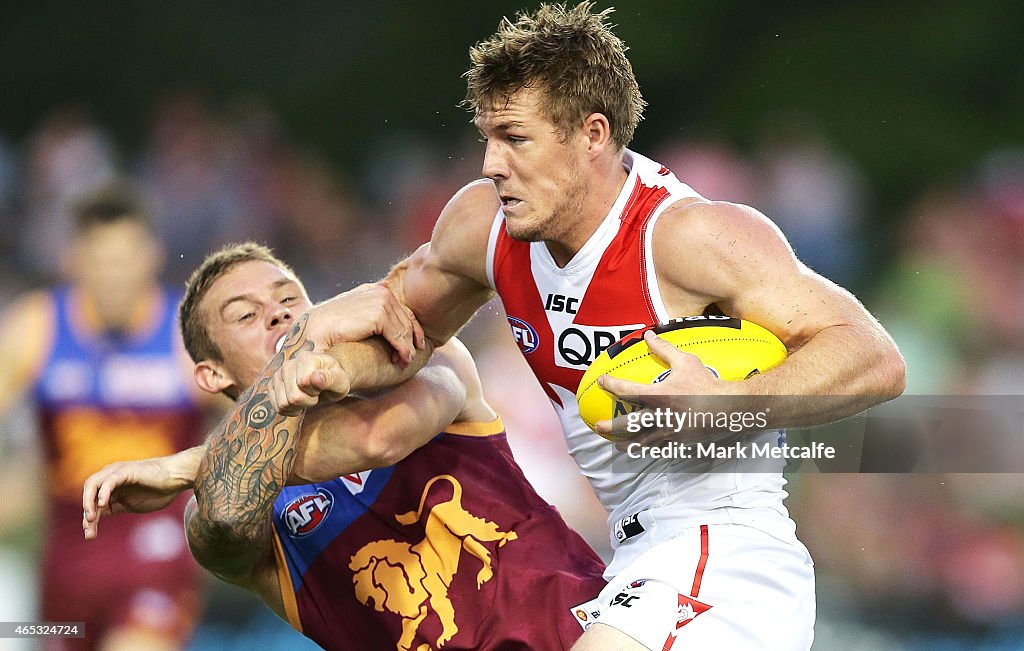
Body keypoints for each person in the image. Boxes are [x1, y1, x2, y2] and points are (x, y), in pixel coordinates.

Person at [272, 4, 907, 650]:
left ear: (593, 135)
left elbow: (876, 357)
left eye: (515, 139)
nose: (492, 163)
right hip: (633, 559)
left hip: (728, 551)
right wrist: (317, 363)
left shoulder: (686, 236)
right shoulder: (484, 228)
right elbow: (399, 335)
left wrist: (725, 404)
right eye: (487, 137)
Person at [82, 242, 608, 651]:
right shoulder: (228, 511)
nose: (277, 315)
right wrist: (209, 466)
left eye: (290, 300)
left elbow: (375, 437)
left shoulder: (418, 356)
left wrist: (184, 465)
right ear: (211, 373)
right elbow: (223, 513)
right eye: (245, 315)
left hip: (589, 632)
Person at [0, 180, 205, 650]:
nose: (114, 276)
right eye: (101, 261)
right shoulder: (35, 328)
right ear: (74, 260)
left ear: (150, 257)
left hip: (156, 558)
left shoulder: (186, 336)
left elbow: (256, 416)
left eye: (125, 260)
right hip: (64, 568)